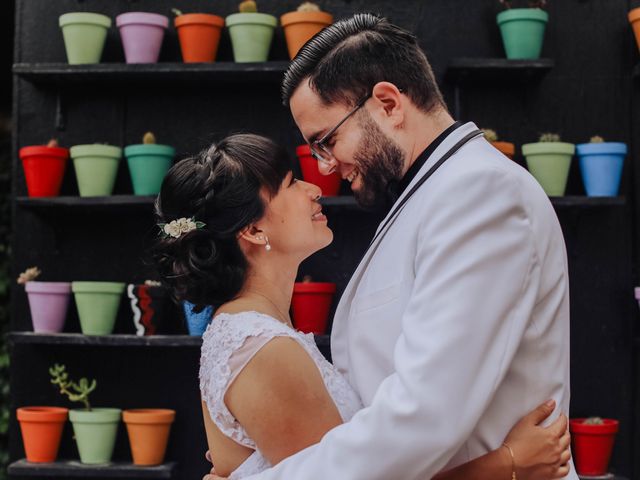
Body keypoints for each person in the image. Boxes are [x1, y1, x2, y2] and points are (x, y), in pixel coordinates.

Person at [205, 12, 577, 480]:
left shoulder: (479, 194)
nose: (322, 168)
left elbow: (422, 419)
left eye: (326, 140)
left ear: (387, 103)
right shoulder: (428, 193)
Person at [153, 134, 570, 480]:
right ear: (253, 228)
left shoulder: (257, 331)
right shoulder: (262, 346)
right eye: (290, 184)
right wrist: (510, 462)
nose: (314, 187)